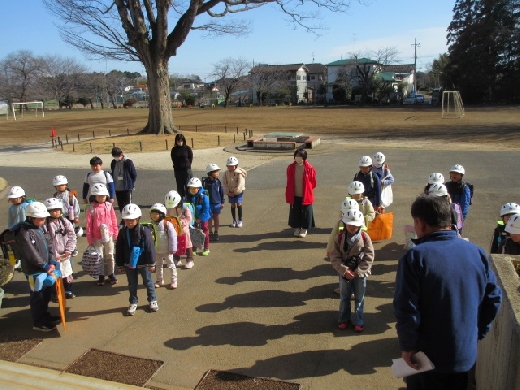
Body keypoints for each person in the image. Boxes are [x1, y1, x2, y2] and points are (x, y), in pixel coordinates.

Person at [394, 195, 502, 390]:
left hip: (426, 358)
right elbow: (494, 298)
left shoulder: (415, 257)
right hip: (464, 355)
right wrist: (477, 332)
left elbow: (407, 309)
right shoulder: (476, 252)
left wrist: (408, 347)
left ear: (420, 223)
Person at [14, 202, 60, 331]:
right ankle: (38, 322)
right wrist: (44, 265)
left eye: (44, 218)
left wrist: (51, 261)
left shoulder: (40, 228)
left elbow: (49, 244)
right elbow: (30, 253)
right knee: (37, 296)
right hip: (33, 271)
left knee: (45, 294)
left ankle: (44, 315)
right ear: (30, 217)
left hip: (46, 268)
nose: (43, 220)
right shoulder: (23, 233)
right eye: (40, 218)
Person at [330, 210, 374, 333]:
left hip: (360, 274)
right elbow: (334, 257)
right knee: (344, 297)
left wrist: (359, 271)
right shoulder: (339, 238)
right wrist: (344, 270)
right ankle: (344, 319)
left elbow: (369, 256)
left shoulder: (365, 238)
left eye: (355, 225)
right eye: (350, 224)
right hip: (345, 273)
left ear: (360, 225)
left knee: (360, 298)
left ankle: (359, 321)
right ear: (345, 224)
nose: (352, 227)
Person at [116, 203, 158, 316]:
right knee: (132, 284)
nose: (129, 222)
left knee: (148, 282)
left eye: (132, 220)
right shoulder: (123, 232)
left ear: (138, 218)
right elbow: (119, 248)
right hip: (129, 263)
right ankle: (133, 302)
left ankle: (152, 300)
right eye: (127, 220)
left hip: (144, 262)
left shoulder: (144, 230)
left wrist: (151, 263)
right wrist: (119, 264)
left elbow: (150, 247)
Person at [43, 198, 77, 299]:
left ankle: (68, 290)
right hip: (54, 255)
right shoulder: (45, 225)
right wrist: (55, 255)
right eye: (53, 210)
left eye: (58, 209)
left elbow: (72, 236)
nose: (56, 212)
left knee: (67, 274)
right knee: (55, 275)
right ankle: (55, 293)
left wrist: (68, 250)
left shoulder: (65, 222)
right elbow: (46, 242)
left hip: (66, 254)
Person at [85, 183, 119, 286]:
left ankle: (111, 273)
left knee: (110, 255)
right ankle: (101, 275)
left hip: (108, 235)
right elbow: (88, 225)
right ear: (94, 196)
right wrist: (90, 239)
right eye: (99, 196)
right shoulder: (90, 208)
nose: (102, 198)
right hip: (96, 237)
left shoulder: (109, 206)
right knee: (99, 257)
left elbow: (114, 220)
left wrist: (115, 233)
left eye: (104, 195)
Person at [285, 148, 317, 238]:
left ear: (304, 157)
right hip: (294, 193)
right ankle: (297, 227)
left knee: (306, 212)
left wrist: (308, 190)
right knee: (295, 211)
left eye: (300, 156)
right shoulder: (291, 167)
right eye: (296, 155)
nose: (298, 157)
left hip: (306, 194)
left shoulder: (309, 168)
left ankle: (304, 228)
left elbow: (313, 182)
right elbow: (289, 179)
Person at [149, 203, 178, 289]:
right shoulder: (151, 225)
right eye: (152, 214)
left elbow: (173, 237)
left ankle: (174, 280)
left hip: (167, 250)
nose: (154, 216)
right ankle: (159, 280)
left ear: (162, 215)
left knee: (171, 264)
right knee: (158, 265)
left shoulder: (167, 224)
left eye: (156, 214)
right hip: (157, 250)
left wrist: (172, 248)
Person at [165, 190, 194, 269]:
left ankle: (190, 260)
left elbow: (189, 218)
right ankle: (177, 259)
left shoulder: (184, 208)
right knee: (175, 244)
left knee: (187, 245)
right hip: (174, 230)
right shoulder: (169, 209)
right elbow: (167, 217)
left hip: (184, 230)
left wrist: (182, 222)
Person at [52, 175, 81, 256]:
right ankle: (63, 246)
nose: (60, 187)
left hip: (70, 217)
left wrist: (76, 216)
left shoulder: (70, 195)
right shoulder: (55, 196)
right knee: (61, 232)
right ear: (55, 187)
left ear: (66, 185)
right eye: (58, 186)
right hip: (59, 217)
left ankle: (74, 247)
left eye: (62, 185)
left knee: (71, 232)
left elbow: (76, 206)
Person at [185, 177, 211, 256]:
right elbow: (185, 207)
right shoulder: (188, 197)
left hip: (202, 219)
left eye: (194, 188)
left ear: (199, 188)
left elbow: (206, 209)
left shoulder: (204, 197)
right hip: (192, 219)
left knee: (204, 233)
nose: (192, 190)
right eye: (191, 188)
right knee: (193, 233)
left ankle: (206, 248)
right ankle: (194, 248)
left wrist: (200, 219)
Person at [110, 147, 137, 214]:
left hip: (126, 187)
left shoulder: (128, 162)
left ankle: (129, 217)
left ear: (121, 154)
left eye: (117, 156)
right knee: (120, 204)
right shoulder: (113, 162)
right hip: (117, 187)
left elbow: (134, 174)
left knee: (128, 204)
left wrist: (130, 182)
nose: (116, 158)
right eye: (114, 156)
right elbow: (113, 172)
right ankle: (123, 218)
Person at [223, 156, 247, 228]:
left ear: (236, 165)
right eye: (229, 166)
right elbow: (224, 183)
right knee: (232, 205)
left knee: (239, 203)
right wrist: (227, 191)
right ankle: (234, 220)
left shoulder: (239, 173)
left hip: (238, 191)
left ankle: (240, 220)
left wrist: (235, 192)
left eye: (232, 166)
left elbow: (241, 184)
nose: (231, 167)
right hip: (230, 191)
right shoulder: (226, 173)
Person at [202, 163, 225, 242]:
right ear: (210, 173)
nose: (217, 173)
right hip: (208, 204)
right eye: (215, 172)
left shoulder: (218, 182)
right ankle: (210, 233)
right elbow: (202, 193)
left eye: (218, 171)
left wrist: (222, 202)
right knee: (209, 218)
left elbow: (221, 192)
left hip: (217, 203)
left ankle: (216, 232)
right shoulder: (205, 183)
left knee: (216, 218)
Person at [170, 134, 193, 199]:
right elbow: (173, 158)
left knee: (188, 185)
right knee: (179, 186)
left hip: (186, 170)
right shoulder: (174, 149)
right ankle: (180, 200)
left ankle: (189, 199)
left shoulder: (187, 148)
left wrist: (187, 165)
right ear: (176, 141)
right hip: (178, 170)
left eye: (181, 140)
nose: (180, 142)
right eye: (178, 140)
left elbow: (190, 157)